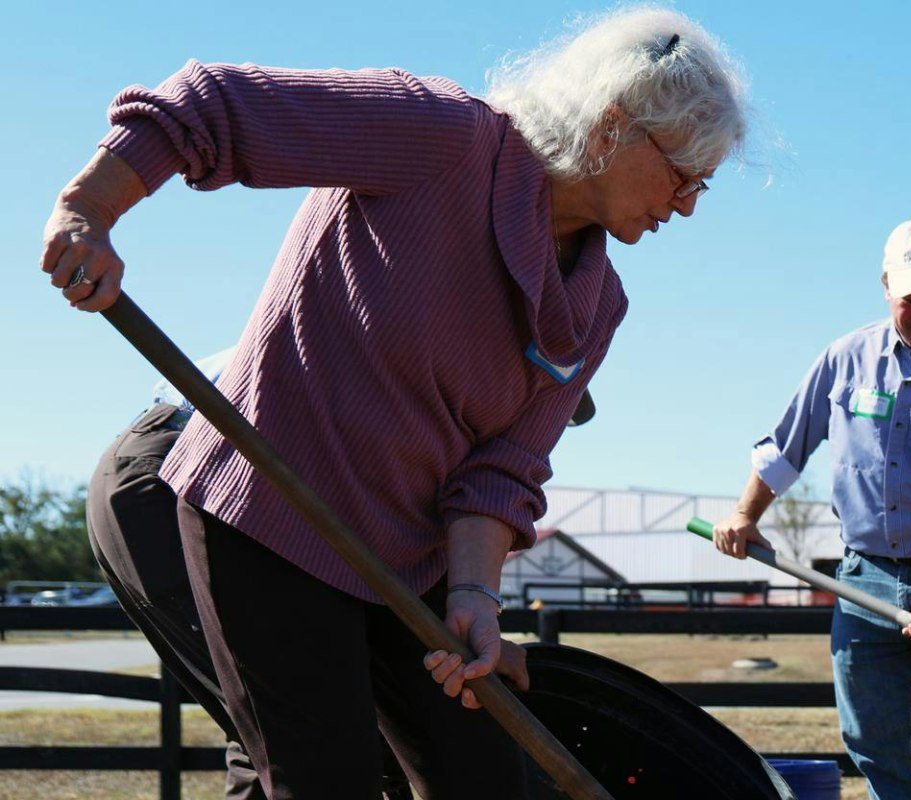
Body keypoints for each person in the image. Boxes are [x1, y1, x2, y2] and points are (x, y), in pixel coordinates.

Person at [43, 7, 749, 797]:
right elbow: (212, 104)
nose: (687, 204)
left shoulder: (596, 306)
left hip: (409, 562)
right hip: (271, 514)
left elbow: (501, 471)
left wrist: (477, 598)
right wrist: (90, 208)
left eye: (703, 186)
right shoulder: (443, 138)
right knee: (327, 780)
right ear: (616, 125)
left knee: (486, 780)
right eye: (684, 173)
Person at [87, 349, 591, 799]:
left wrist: (471, 632)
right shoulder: (444, 370)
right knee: (293, 732)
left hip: (293, 487)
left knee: (331, 734)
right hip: (185, 462)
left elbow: (436, 527)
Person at [712, 218, 911, 799]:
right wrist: (745, 515)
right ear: (886, 286)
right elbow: (786, 447)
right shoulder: (844, 360)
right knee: (874, 743)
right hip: (865, 581)